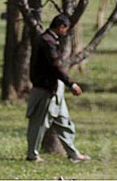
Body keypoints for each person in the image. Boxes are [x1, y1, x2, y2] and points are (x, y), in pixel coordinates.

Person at [25, 14, 91, 163]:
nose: (66, 33)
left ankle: (73, 153)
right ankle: (32, 155)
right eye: (65, 29)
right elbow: (56, 67)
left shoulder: (49, 40)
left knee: (64, 121)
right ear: (61, 27)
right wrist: (71, 84)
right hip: (46, 89)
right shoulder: (47, 42)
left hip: (54, 89)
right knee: (39, 123)